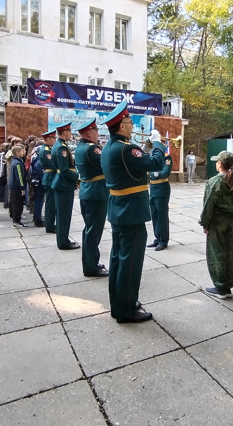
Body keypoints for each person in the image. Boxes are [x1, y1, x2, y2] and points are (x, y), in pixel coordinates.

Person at [100, 102, 166, 323]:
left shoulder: (110, 147)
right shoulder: (127, 148)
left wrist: (144, 149)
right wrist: (157, 142)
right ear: (120, 126)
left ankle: (119, 304)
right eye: (129, 122)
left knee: (118, 258)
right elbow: (155, 162)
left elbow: (136, 166)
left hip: (119, 208)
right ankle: (127, 309)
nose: (132, 125)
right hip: (132, 210)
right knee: (131, 262)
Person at [200, 151, 233, 299]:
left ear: (220, 164)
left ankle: (220, 287)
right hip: (230, 222)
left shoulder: (214, 182)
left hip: (217, 222)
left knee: (216, 253)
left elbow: (208, 205)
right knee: (227, 252)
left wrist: (205, 223)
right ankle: (227, 284)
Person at [74, 119, 109, 276]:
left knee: (90, 230)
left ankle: (92, 262)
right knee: (93, 231)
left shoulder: (80, 147)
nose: (98, 133)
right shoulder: (92, 149)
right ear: (89, 133)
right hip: (96, 193)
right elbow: (107, 163)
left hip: (88, 191)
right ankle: (91, 267)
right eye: (96, 131)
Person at [51, 121, 80, 250]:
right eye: (69, 132)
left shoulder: (59, 145)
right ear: (64, 133)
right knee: (64, 215)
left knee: (63, 214)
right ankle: (63, 242)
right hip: (64, 184)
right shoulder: (61, 148)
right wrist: (77, 177)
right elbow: (64, 169)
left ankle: (63, 239)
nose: (71, 134)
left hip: (62, 183)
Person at [148, 152, 173, 251]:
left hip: (162, 190)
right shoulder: (152, 156)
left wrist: (154, 173)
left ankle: (163, 241)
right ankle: (157, 239)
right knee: (154, 216)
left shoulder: (166, 156)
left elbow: (165, 172)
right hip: (153, 189)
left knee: (162, 217)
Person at [39, 131, 57, 233]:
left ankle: (50, 224)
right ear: (48, 139)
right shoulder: (46, 151)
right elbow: (53, 165)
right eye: (53, 138)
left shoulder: (48, 149)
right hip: (50, 178)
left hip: (50, 178)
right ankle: (50, 226)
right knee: (50, 204)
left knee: (52, 203)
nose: (54, 140)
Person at [8, 145, 27, 227]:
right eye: (22, 151)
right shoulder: (18, 163)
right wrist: (22, 187)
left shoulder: (14, 161)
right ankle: (16, 221)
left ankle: (15, 218)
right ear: (17, 153)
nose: (23, 153)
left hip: (13, 186)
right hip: (16, 187)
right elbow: (19, 176)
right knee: (17, 204)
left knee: (14, 203)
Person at [29, 146, 45, 227]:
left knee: (38, 200)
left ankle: (37, 217)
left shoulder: (35, 160)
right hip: (39, 183)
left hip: (36, 182)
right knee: (39, 201)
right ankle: (37, 218)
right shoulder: (39, 162)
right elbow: (41, 173)